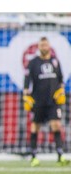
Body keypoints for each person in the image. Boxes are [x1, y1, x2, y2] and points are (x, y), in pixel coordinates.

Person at [23, 36, 70, 167]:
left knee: (56, 125)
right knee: (35, 127)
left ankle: (60, 155)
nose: (44, 47)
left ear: (49, 46)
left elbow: (61, 79)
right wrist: (26, 93)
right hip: (38, 100)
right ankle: (33, 156)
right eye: (41, 45)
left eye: (45, 45)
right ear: (38, 47)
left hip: (53, 101)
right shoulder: (33, 63)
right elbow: (27, 80)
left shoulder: (55, 61)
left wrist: (61, 90)